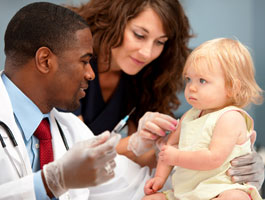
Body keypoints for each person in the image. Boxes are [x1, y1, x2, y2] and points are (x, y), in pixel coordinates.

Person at [68, 0, 265, 190]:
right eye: (139, 35)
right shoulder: (70, 64)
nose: (147, 53)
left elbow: (141, 160)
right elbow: (71, 152)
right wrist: (135, 142)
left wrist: (233, 157)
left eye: (160, 42)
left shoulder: (141, 77)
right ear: (111, 21)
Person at [0, 2, 121, 199]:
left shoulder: (74, 129)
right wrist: (49, 183)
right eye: (84, 61)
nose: (91, 74)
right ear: (45, 60)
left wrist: (146, 144)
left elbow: (120, 186)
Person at [143, 38, 264, 200]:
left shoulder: (231, 117)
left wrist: (176, 157)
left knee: (235, 197)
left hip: (220, 188)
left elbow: (213, 158)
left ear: (232, 87)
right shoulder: (189, 116)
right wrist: (159, 178)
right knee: (150, 199)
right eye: (188, 79)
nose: (191, 87)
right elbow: (169, 147)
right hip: (187, 192)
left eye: (202, 81)